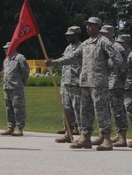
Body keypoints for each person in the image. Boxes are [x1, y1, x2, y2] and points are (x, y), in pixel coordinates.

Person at [47, 17, 123, 151]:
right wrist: (55, 63)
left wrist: (106, 70)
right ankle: (85, 137)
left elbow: (117, 59)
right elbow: (73, 57)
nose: (88, 27)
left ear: (98, 27)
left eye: (91, 25)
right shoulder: (86, 44)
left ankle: (106, 139)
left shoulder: (104, 42)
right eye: (87, 25)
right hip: (85, 82)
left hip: (99, 83)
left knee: (101, 112)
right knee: (85, 112)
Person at [101, 26, 131, 147]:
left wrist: (120, 81)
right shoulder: (103, 46)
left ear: (110, 34)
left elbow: (124, 67)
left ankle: (122, 136)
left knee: (117, 110)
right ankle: (105, 135)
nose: (102, 35)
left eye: (104, 33)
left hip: (115, 83)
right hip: (105, 82)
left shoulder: (117, 47)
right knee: (105, 110)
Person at [53, 26, 82, 142]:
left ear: (77, 35)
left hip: (77, 84)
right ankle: (68, 132)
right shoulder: (68, 48)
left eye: (71, 35)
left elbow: (71, 59)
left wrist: (54, 63)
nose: (68, 37)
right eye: (67, 35)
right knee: (66, 110)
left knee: (78, 110)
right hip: (66, 83)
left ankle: (83, 134)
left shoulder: (82, 47)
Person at [1, 42, 29, 136]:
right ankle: (10, 127)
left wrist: (21, 82)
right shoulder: (6, 60)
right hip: (7, 87)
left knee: (18, 108)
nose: (5, 50)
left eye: (7, 48)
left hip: (16, 87)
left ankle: (20, 128)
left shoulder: (20, 58)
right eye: (5, 48)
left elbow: (25, 71)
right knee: (9, 108)